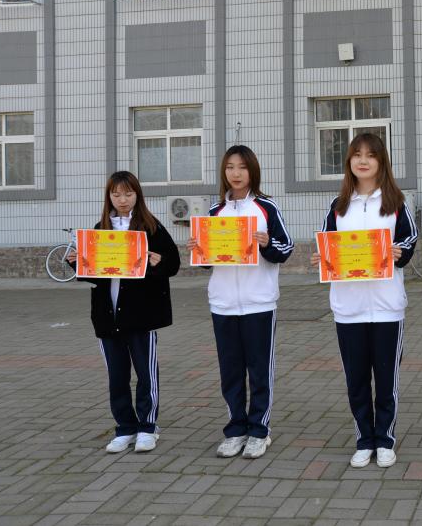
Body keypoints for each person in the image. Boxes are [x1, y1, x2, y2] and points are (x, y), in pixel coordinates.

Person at [313, 133, 418, 469]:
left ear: (381, 161)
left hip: (387, 307)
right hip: (348, 308)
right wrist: (322, 258)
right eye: (357, 154)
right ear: (349, 161)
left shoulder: (396, 202)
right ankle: (364, 439)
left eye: (370, 155)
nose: (363, 160)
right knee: (356, 381)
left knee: (386, 381)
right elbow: (328, 244)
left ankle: (385, 440)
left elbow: (409, 241)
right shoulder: (338, 205)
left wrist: (398, 253)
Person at [188, 145, 293, 459]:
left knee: (259, 371)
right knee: (230, 372)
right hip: (222, 304)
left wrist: (266, 243)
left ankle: (259, 431)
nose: (236, 173)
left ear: (252, 171)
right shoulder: (214, 212)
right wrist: (198, 249)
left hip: (259, 302)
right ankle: (235, 429)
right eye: (230, 167)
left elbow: (285, 249)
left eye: (242, 167)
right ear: (224, 171)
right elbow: (207, 262)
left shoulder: (266, 208)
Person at [69, 171, 180, 453]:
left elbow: (173, 264)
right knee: (117, 377)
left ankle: (148, 427)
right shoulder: (100, 229)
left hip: (141, 316)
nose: (122, 200)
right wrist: (77, 263)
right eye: (116, 194)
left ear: (137, 195)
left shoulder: (151, 228)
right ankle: (125, 428)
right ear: (108, 197)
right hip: (108, 317)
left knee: (146, 375)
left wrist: (158, 262)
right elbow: (94, 275)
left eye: (128, 194)